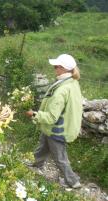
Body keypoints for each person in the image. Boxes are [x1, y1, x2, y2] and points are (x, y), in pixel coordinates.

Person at [25, 54, 83, 189]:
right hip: (54, 127)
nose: (54, 68)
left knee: (60, 157)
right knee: (43, 145)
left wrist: (34, 114)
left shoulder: (62, 90)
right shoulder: (71, 82)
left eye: (56, 66)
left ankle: (73, 181)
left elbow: (51, 117)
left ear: (63, 69)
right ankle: (36, 163)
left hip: (57, 129)